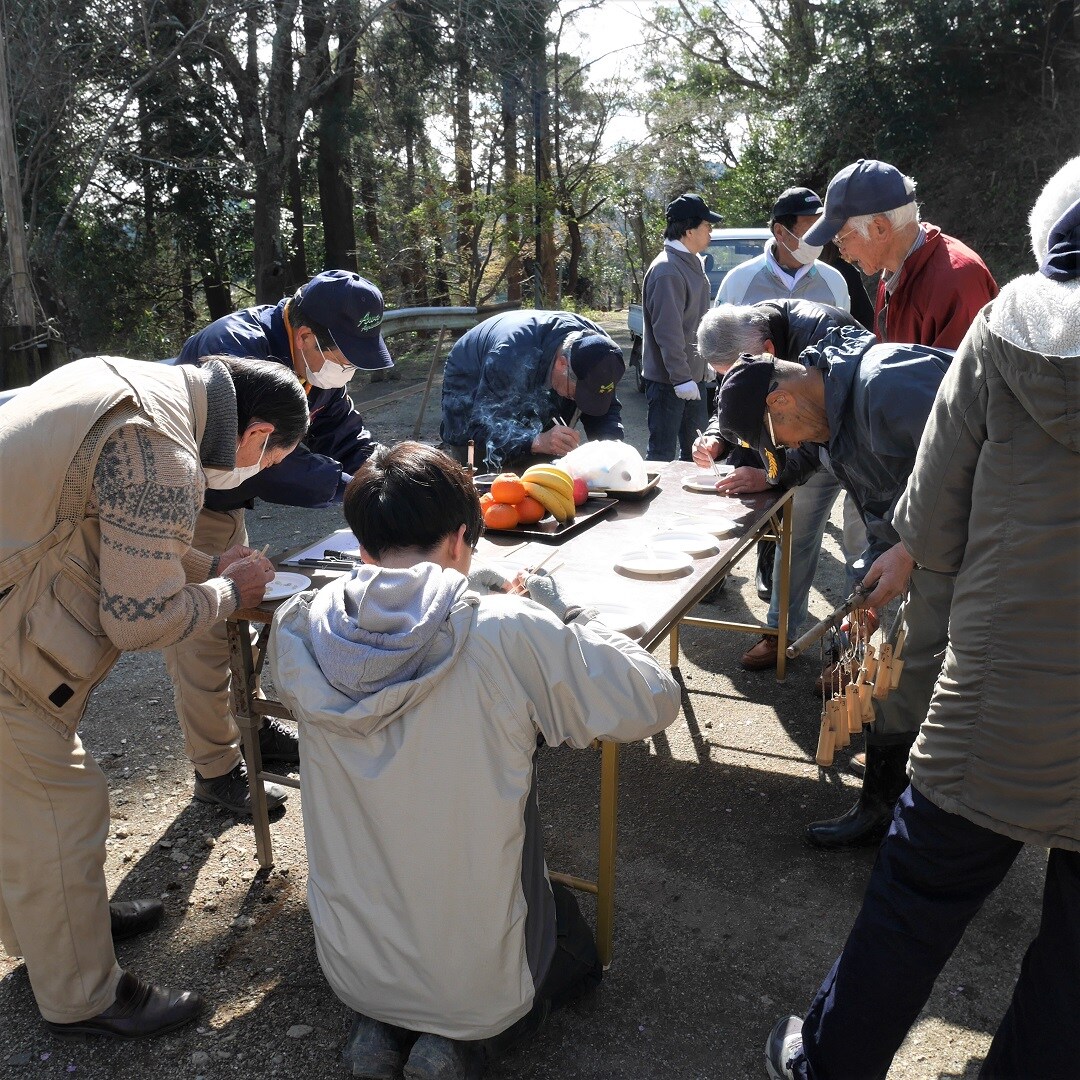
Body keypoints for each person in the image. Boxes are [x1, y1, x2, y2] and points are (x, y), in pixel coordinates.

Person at [766, 154, 1080, 1080]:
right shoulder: (902, 281)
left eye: (852, 237)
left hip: (1011, 680)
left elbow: (931, 517)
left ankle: (828, 1061)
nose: (849, 259)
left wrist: (898, 568)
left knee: (919, 890)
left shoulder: (999, 314)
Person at [268, 442, 681, 1080]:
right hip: (482, 985)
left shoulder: (299, 625)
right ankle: (463, 1044)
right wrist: (560, 612)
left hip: (352, 969)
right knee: (572, 942)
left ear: (362, 546)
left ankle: (383, 1023)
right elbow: (650, 699)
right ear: (463, 539)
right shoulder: (504, 629)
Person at [0, 354, 308, 1038]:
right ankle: (83, 994)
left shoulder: (137, 390)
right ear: (255, 435)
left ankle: (55, 932)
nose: (260, 473)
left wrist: (208, 564)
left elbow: (115, 531)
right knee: (59, 805)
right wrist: (232, 593)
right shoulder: (163, 453)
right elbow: (140, 620)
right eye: (271, 460)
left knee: (21, 802)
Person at [713, 329, 954, 848]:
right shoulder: (828, 409)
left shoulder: (888, 383)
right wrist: (773, 475)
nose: (790, 444)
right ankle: (888, 807)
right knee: (891, 675)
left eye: (778, 435)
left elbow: (973, 466)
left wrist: (910, 550)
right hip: (913, 549)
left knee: (915, 675)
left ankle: (906, 818)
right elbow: (841, 466)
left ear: (780, 398)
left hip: (960, 550)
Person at [166, 269, 391, 815]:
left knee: (239, 620)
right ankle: (216, 770)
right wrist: (346, 488)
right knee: (200, 632)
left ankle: (252, 729)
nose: (349, 369)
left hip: (225, 496)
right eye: (346, 355)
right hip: (184, 497)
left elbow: (342, 431)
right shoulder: (234, 351)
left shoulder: (316, 366)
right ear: (309, 337)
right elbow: (257, 464)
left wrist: (386, 473)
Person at [694, 300, 866, 668]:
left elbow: (814, 429)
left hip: (854, 448)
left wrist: (770, 474)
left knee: (860, 548)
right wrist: (717, 437)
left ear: (767, 352)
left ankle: (852, 651)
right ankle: (782, 633)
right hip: (803, 448)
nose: (730, 378)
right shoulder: (745, 338)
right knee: (795, 537)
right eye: (723, 375)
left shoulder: (825, 331)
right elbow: (733, 399)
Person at [804, 158, 998, 348]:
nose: (842, 252)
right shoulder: (891, 271)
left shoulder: (958, 281)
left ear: (879, 228)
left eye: (840, 238)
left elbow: (961, 378)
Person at [440, 309, 625, 472]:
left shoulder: (602, 354)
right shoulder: (509, 358)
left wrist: (611, 450)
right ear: (562, 364)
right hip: (471, 374)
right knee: (480, 456)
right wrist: (536, 441)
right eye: (578, 392)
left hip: (539, 363)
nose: (579, 400)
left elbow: (605, 410)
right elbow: (480, 428)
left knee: (546, 457)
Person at [642, 193, 720, 461]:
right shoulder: (668, 270)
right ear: (689, 231)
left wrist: (703, 363)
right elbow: (668, 331)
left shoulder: (689, 263)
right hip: (669, 383)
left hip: (690, 378)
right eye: (706, 226)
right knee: (662, 456)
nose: (711, 231)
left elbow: (694, 322)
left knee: (698, 454)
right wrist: (682, 377)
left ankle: (688, 505)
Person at [714, 186, 850, 310]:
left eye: (819, 228)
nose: (817, 236)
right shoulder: (739, 281)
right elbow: (717, 334)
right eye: (810, 229)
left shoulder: (834, 281)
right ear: (780, 232)